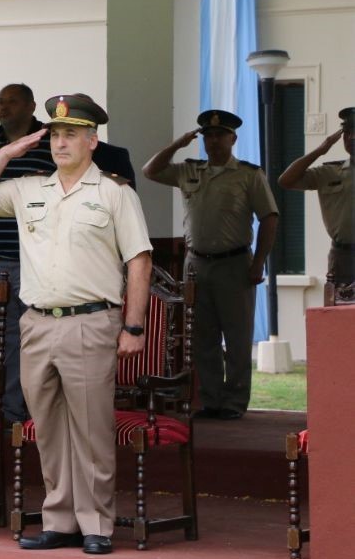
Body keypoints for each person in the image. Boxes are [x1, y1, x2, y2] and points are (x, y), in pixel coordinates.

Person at [0, 93, 153, 556]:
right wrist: (7, 153)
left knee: (90, 428)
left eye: (71, 134)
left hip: (90, 321)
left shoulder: (114, 193)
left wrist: (134, 326)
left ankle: (96, 525)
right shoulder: (30, 188)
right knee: (46, 427)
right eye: (56, 134)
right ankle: (60, 519)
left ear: (92, 140)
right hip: (37, 323)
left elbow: (140, 262)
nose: (61, 142)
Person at [143, 109, 278, 421]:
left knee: (237, 336)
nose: (213, 140)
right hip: (197, 265)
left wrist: (259, 263)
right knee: (203, 337)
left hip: (235, 263)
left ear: (233, 138)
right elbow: (150, 170)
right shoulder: (189, 171)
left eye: (220, 135)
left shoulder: (248, 174)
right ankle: (212, 400)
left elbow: (269, 219)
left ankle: (234, 402)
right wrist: (177, 144)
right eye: (208, 135)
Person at [0, 83, 57, 423]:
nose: (4, 107)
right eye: (1, 101)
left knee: (38, 334)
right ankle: (8, 410)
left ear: (31, 106)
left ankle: (33, 410)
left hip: (34, 260)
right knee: (0, 336)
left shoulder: (48, 142)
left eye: (12, 101)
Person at [280, 107, 354, 283]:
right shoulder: (329, 172)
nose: (352, 137)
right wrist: (320, 150)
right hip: (343, 257)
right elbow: (285, 181)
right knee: (339, 309)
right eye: (348, 132)